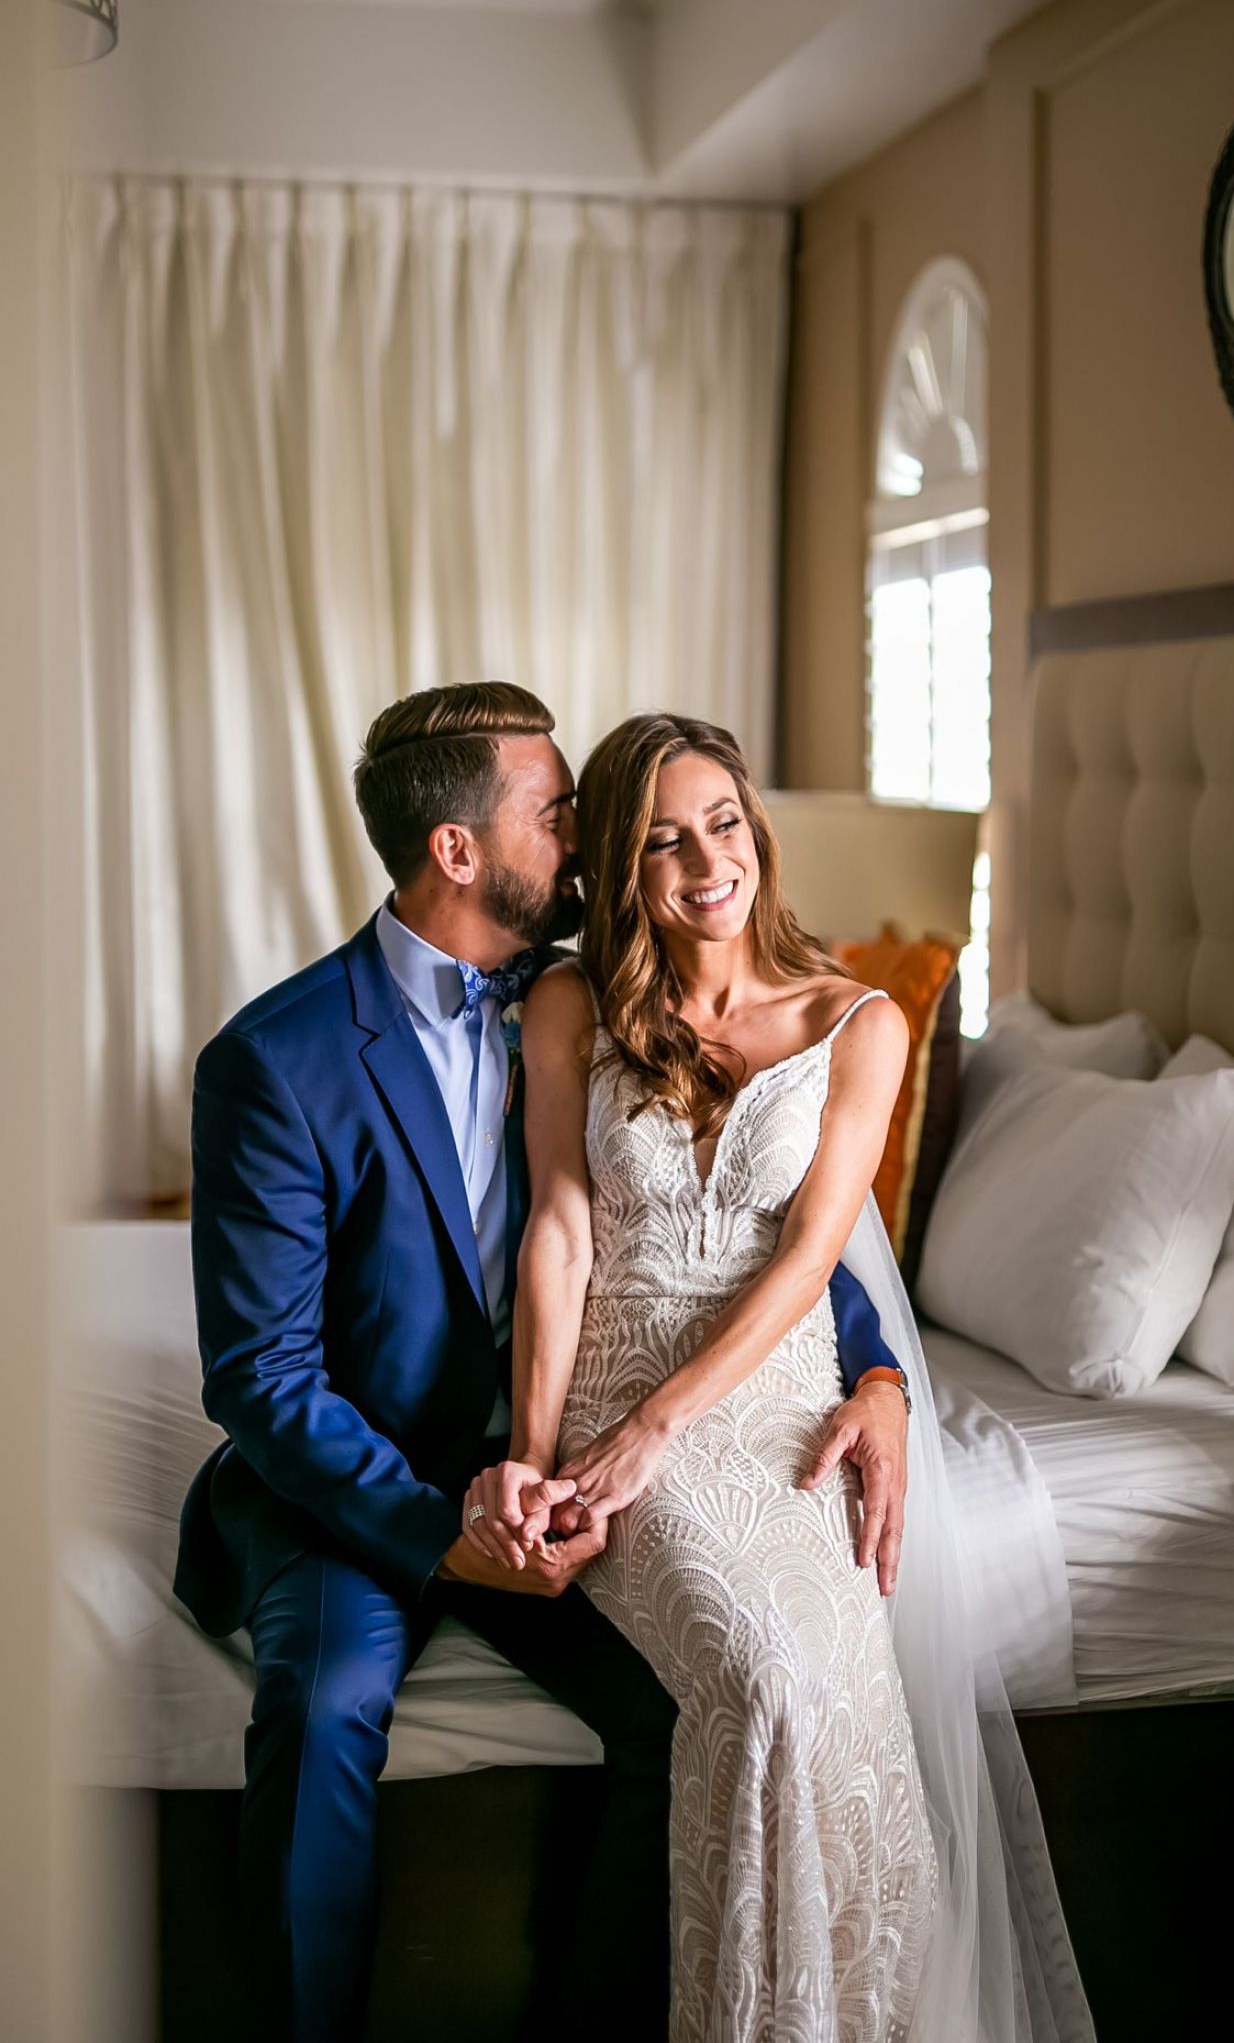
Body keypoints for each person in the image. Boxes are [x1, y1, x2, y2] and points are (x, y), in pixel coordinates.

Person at [172, 680, 913, 2043]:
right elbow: (263, 1376)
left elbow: (725, 1228)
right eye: (558, 810)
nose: (591, 836)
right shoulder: (273, 1061)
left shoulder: (593, 993)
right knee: (322, 1704)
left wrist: (876, 1375)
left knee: (681, 1709)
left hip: (558, 1469)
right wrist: (441, 1532)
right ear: (457, 849)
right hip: (370, 1493)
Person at [465, 712, 1094, 2043]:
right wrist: (534, 1456)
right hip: (615, 1389)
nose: (706, 863)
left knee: (838, 1681)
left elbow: (813, 1253)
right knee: (758, 1677)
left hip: (773, 1405)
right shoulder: (573, 1002)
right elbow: (560, 1228)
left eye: (725, 824)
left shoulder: (854, 1023)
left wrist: (675, 1422)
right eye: (663, 839)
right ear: (622, 867)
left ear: (759, 830)